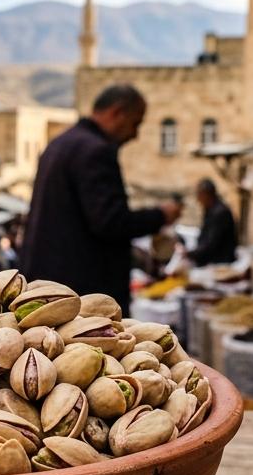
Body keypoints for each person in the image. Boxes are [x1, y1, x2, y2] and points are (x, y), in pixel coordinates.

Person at [21, 84, 181, 310]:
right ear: (117, 113)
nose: (135, 134)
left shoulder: (61, 143)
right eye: (135, 123)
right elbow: (110, 222)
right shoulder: (95, 151)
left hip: (49, 285)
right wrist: (160, 215)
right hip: (80, 294)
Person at [187, 178, 238, 266]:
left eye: (199, 195)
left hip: (219, 263)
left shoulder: (220, 213)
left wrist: (191, 254)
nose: (198, 199)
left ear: (206, 195)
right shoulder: (211, 210)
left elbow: (211, 243)